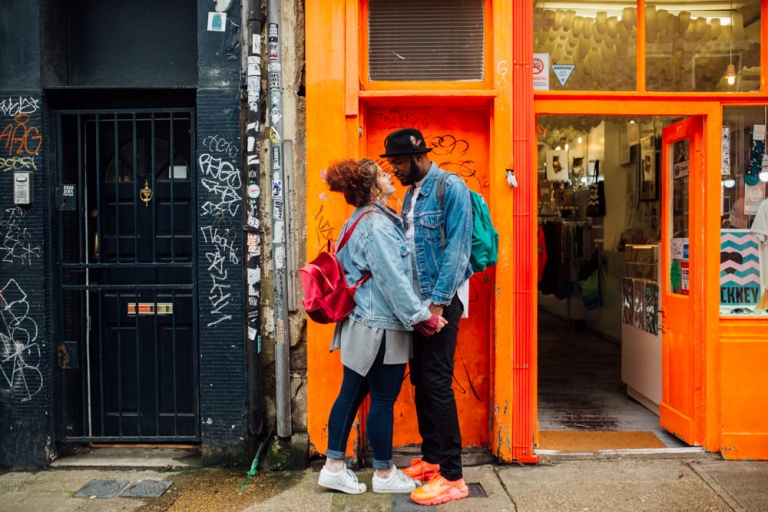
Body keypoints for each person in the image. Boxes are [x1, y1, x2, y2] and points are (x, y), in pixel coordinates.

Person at [317, 158, 448, 495]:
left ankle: (334, 467)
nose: (388, 174)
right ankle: (384, 474)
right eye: (380, 174)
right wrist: (424, 317)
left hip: (362, 321)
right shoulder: (376, 225)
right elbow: (394, 281)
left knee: (351, 394)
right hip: (380, 327)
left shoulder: (360, 218)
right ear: (372, 187)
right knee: (382, 399)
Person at [381, 128, 474, 506]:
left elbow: (458, 250)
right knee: (421, 380)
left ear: (418, 156)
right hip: (418, 306)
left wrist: (437, 303)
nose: (394, 169)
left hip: (440, 303)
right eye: (392, 163)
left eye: (399, 162)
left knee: (436, 383)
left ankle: (453, 476)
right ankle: (433, 459)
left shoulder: (450, 188)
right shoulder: (411, 194)